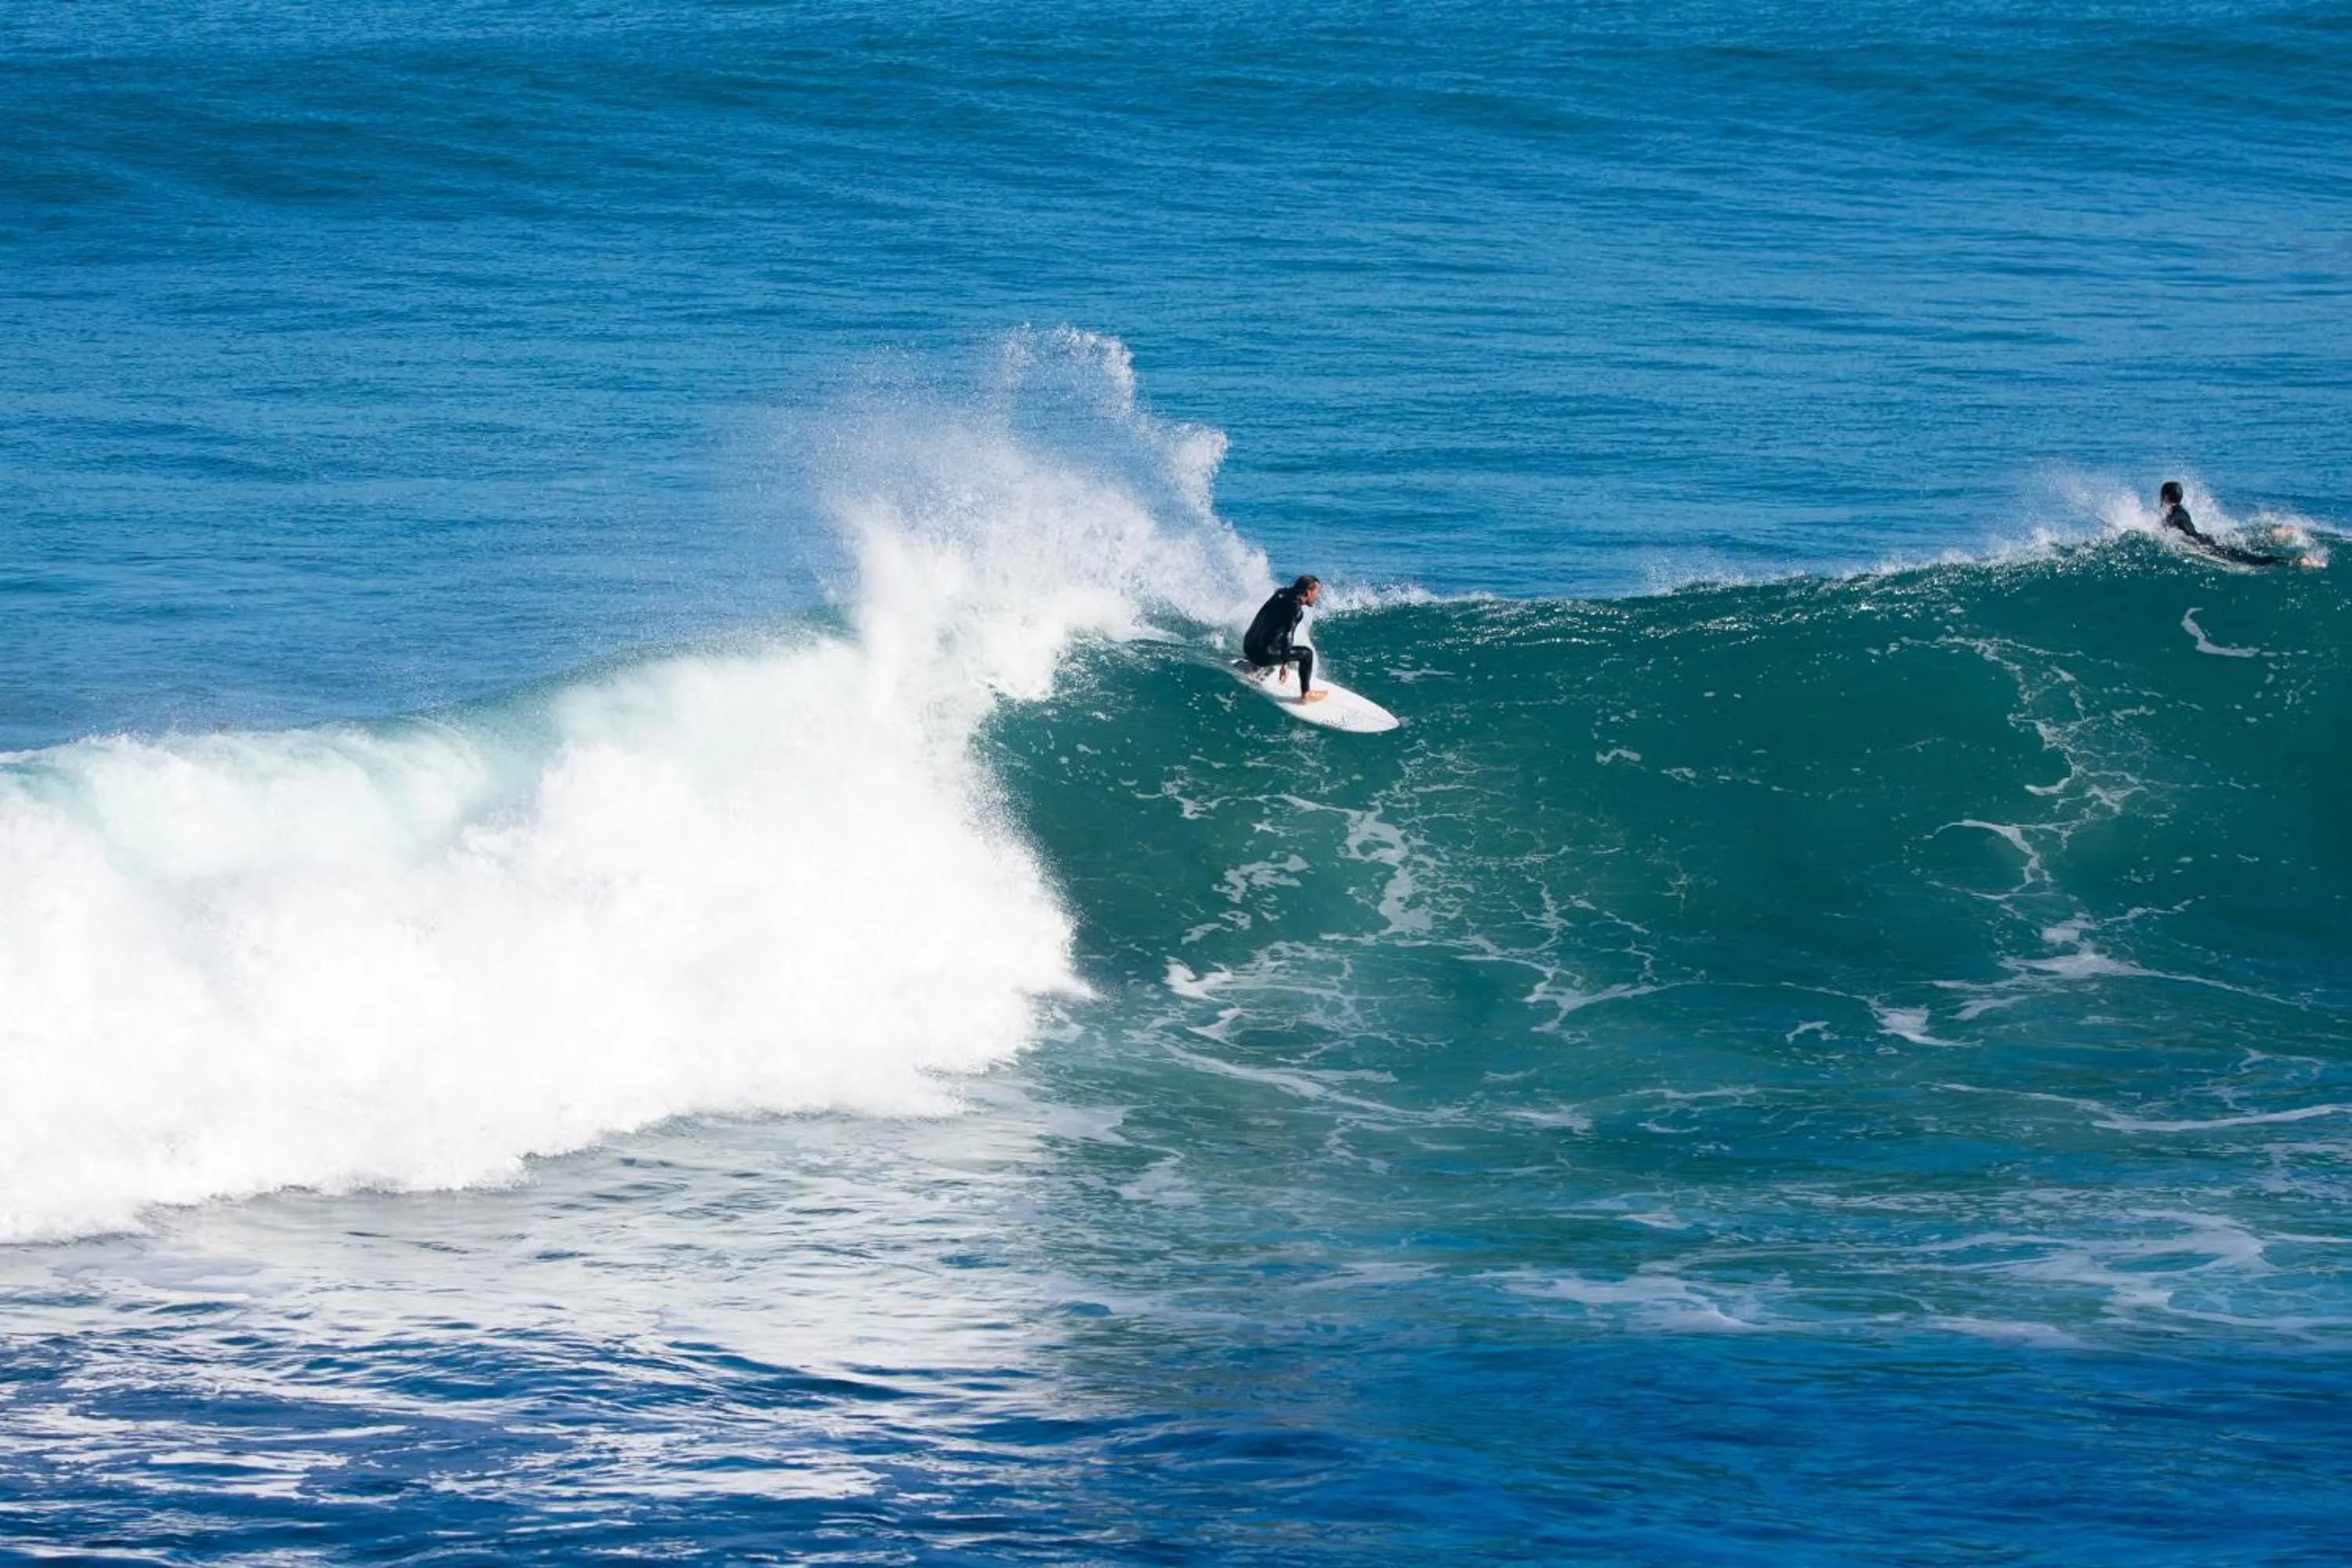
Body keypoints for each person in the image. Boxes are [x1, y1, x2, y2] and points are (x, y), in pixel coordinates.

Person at [2156, 481, 2315, 568]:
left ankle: (2297, 561)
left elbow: (2166, 526)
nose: (2159, 496)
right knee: (2248, 548)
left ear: (2167, 497)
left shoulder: (2174, 515)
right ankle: (2274, 537)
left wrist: (2158, 528)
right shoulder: (2182, 511)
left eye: (2162, 493)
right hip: (2209, 540)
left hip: (2207, 547)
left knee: (2252, 561)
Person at [1243, 575, 1327, 703]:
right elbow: (1288, 635)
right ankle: (1306, 694)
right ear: (1307, 592)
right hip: (1262, 656)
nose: (1317, 597)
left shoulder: (1280, 593)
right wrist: (1285, 663)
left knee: (1273, 632)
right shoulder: (1296, 609)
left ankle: (1256, 661)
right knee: (1307, 654)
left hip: (1248, 647)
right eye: (1317, 592)